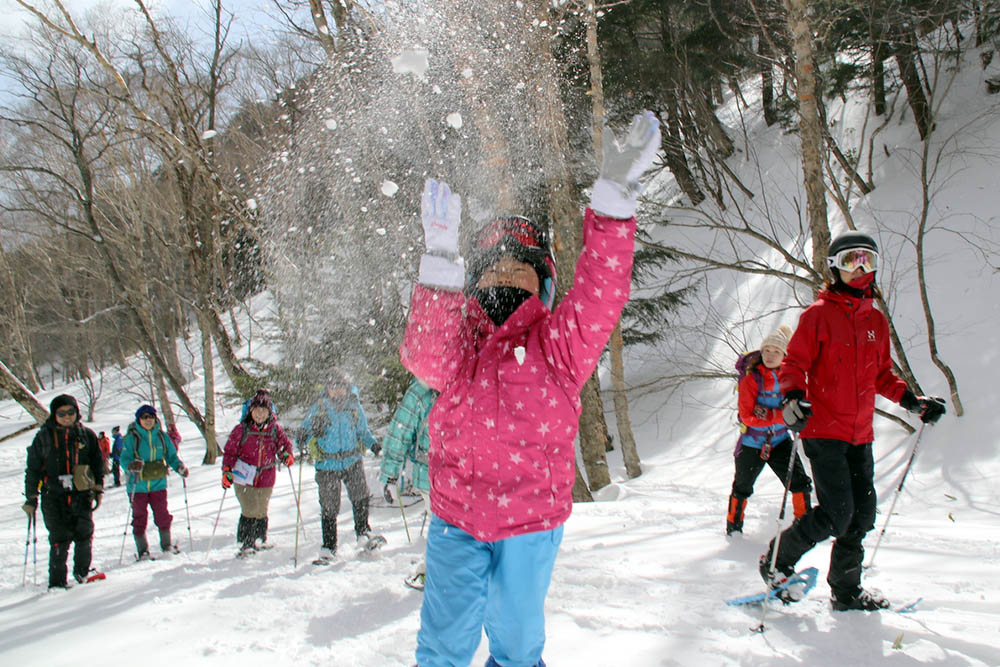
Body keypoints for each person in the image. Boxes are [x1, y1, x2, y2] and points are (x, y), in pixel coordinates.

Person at [401, 111, 660, 666]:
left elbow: (599, 297)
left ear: (542, 283)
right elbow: (423, 354)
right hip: (457, 520)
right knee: (443, 646)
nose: (505, 275)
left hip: (531, 524)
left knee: (518, 647)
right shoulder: (458, 346)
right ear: (473, 282)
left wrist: (613, 207)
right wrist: (441, 260)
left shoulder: (559, 346)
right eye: (492, 268)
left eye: (521, 268)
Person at [760, 230, 947, 611]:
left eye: (868, 260)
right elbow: (794, 364)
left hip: (860, 434)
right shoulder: (817, 316)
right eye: (850, 261)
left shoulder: (875, 321)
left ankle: (846, 591)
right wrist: (793, 397)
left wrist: (913, 401)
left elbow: (881, 376)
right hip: (824, 430)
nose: (860, 269)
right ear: (834, 268)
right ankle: (776, 562)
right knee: (837, 513)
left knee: (861, 516)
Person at [727, 325, 813, 535]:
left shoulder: (791, 377)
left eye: (776, 351)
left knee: (800, 483)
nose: (770, 355)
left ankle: (806, 526)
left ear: (784, 354)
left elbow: (800, 404)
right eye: (767, 350)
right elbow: (747, 416)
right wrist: (781, 416)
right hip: (752, 443)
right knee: (742, 487)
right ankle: (734, 529)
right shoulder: (751, 379)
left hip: (780, 440)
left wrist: (773, 414)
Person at [22, 394, 104, 588]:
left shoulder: (87, 435)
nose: (67, 416)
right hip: (53, 495)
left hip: (81, 493)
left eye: (71, 412)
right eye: (62, 413)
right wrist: (31, 497)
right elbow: (33, 469)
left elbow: (97, 463)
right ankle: (57, 582)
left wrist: (98, 488)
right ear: (54, 414)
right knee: (60, 537)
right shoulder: (43, 437)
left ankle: (82, 572)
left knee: (84, 533)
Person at [300, 373, 384, 560]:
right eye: (333, 386)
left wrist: (374, 445)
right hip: (327, 464)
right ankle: (329, 546)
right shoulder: (319, 407)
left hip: (352, 460)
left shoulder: (354, 406)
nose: (337, 390)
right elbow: (306, 428)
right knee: (329, 506)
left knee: (360, 496)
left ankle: (363, 533)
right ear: (327, 388)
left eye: (341, 386)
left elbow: (363, 432)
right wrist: (303, 436)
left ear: (347, 387)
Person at [379, 376, 438, 588]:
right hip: (443, 475)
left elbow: (401, 430)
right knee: (451, 526)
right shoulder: (475, 371)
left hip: (433, 474)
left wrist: (391, 474)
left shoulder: (424, 386)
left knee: (442, 526)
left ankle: (435, 572)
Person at [222, 388, 294, 557]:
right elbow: (230, 452)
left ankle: (260, 539)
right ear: (250, 411)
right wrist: (226, 470)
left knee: (261, 508)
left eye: (263, 410)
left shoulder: (275, 430)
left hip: (266, 476)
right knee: (249, 508)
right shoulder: (241, 430)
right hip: (243, 476)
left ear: (269, 412)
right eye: (257, 410)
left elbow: (285, 446)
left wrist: (287, 455)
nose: (260, 414)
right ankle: (247, 542)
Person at [120, 405, 189, 559]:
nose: (148, 420)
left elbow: (171, 456)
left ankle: (167, 545)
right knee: (139, 517)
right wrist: (131, 465)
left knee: (162, 515)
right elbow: (124, 459)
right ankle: (143, 550)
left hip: (158, 484)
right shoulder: (132, 438)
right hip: (137, 485)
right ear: (139, 420)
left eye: (150, 417)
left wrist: (179, 467)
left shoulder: (162, 437)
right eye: (144, 417)